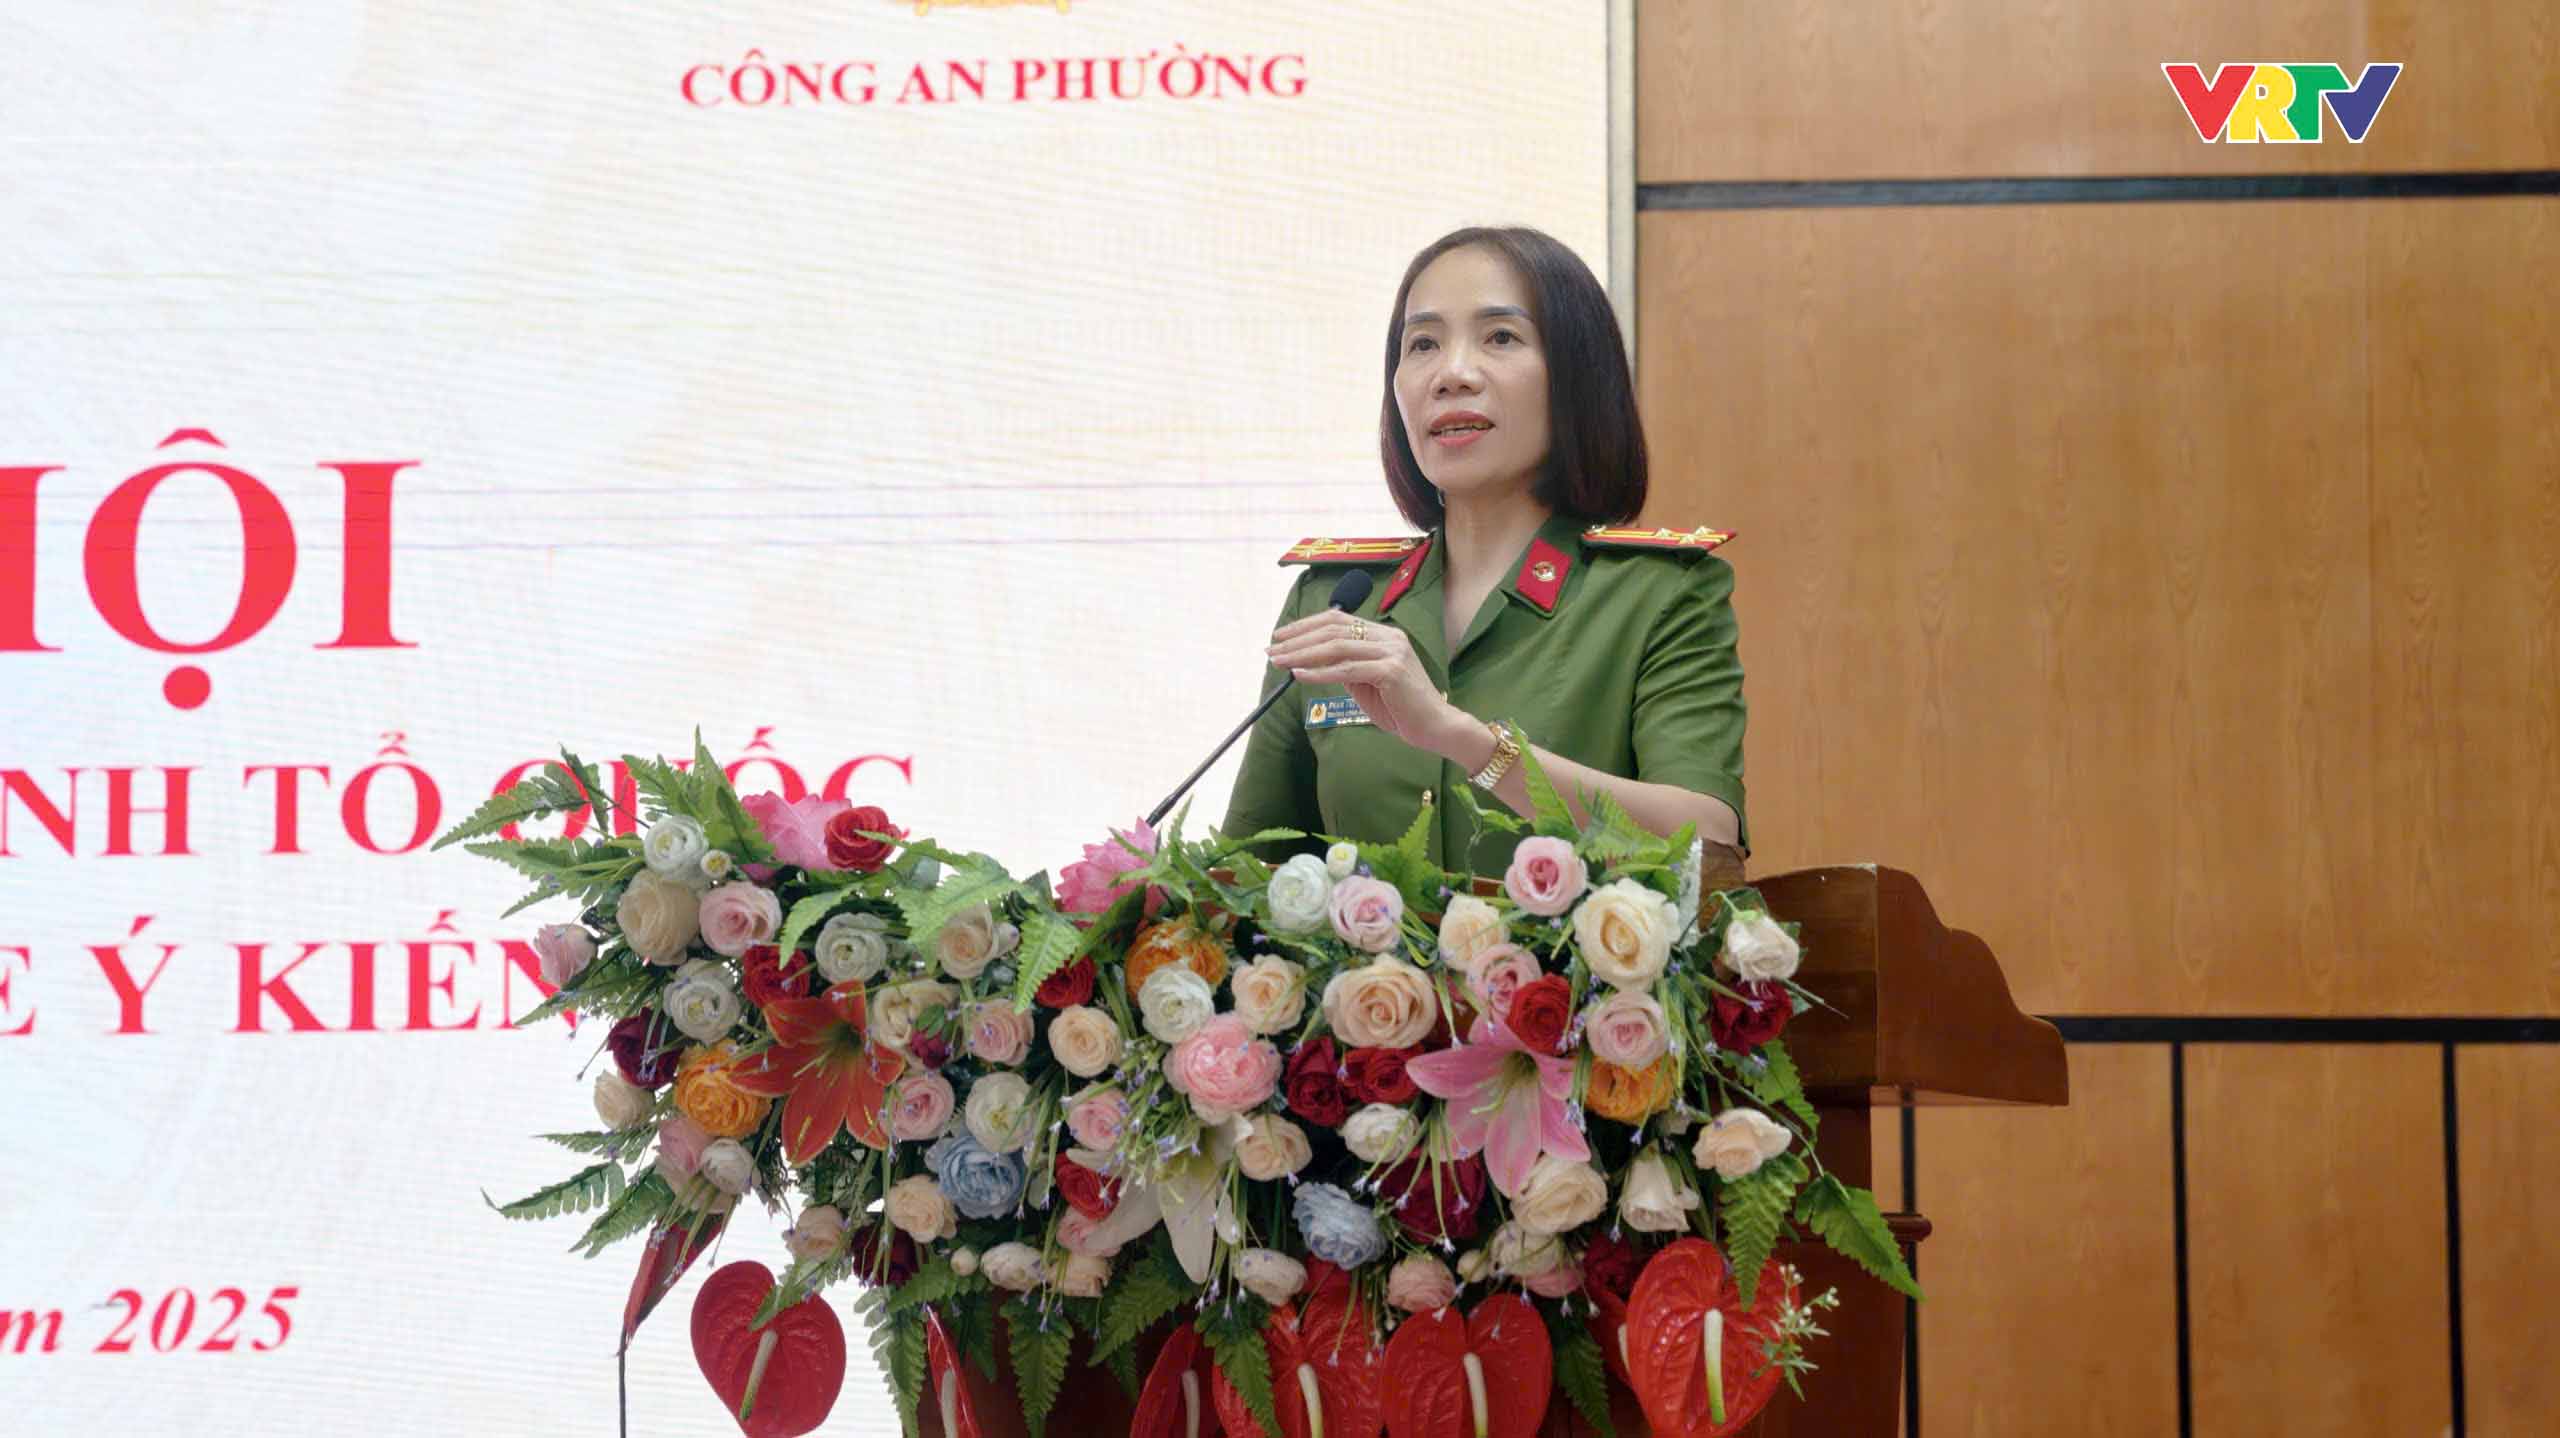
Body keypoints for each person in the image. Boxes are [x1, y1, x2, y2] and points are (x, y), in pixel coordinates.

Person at [1220, 225, 1749, 889]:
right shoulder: (1335, 600)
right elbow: (1246, 873)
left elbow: (1706, 847)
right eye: (1423, 344)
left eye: (1500, 337)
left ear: (1577, 377)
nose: (1453, 375)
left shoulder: (1659, 593)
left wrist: (1462, 739)